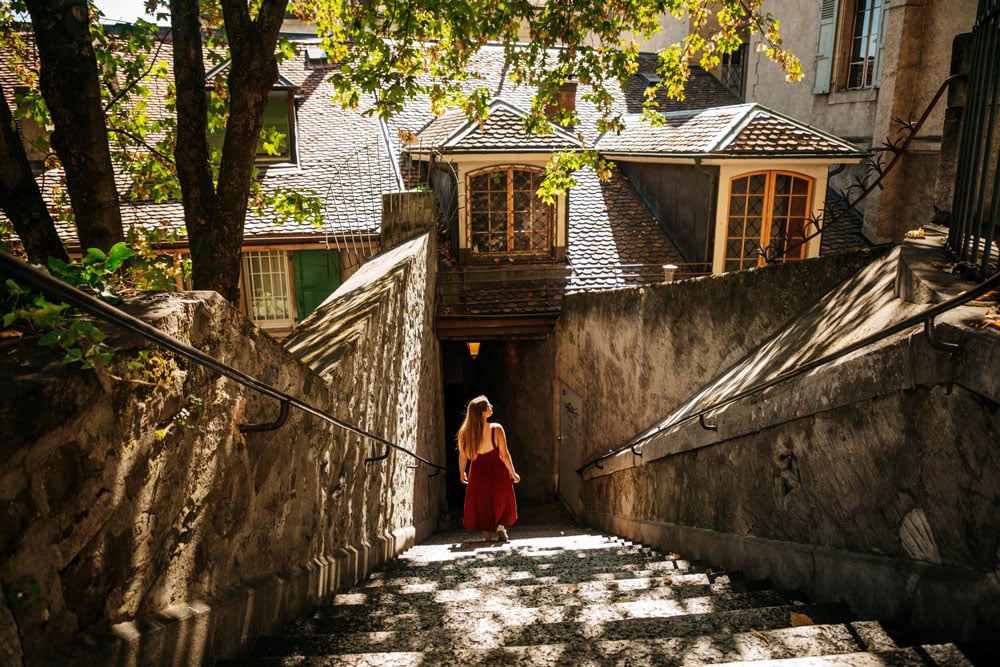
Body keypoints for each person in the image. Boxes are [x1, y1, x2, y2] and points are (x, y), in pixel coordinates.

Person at [457, 395, 520, 542]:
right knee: (500, 498)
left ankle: (487, 538)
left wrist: (462, 472)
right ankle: (501, 528)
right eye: (488, 406)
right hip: (497, 469)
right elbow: (504, 455)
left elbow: (463, 456)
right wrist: (513, 472)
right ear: (482, 412)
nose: (491, 407)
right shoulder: (496, 429)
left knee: (483, 501)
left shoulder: (465, 433)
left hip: (478, 471)